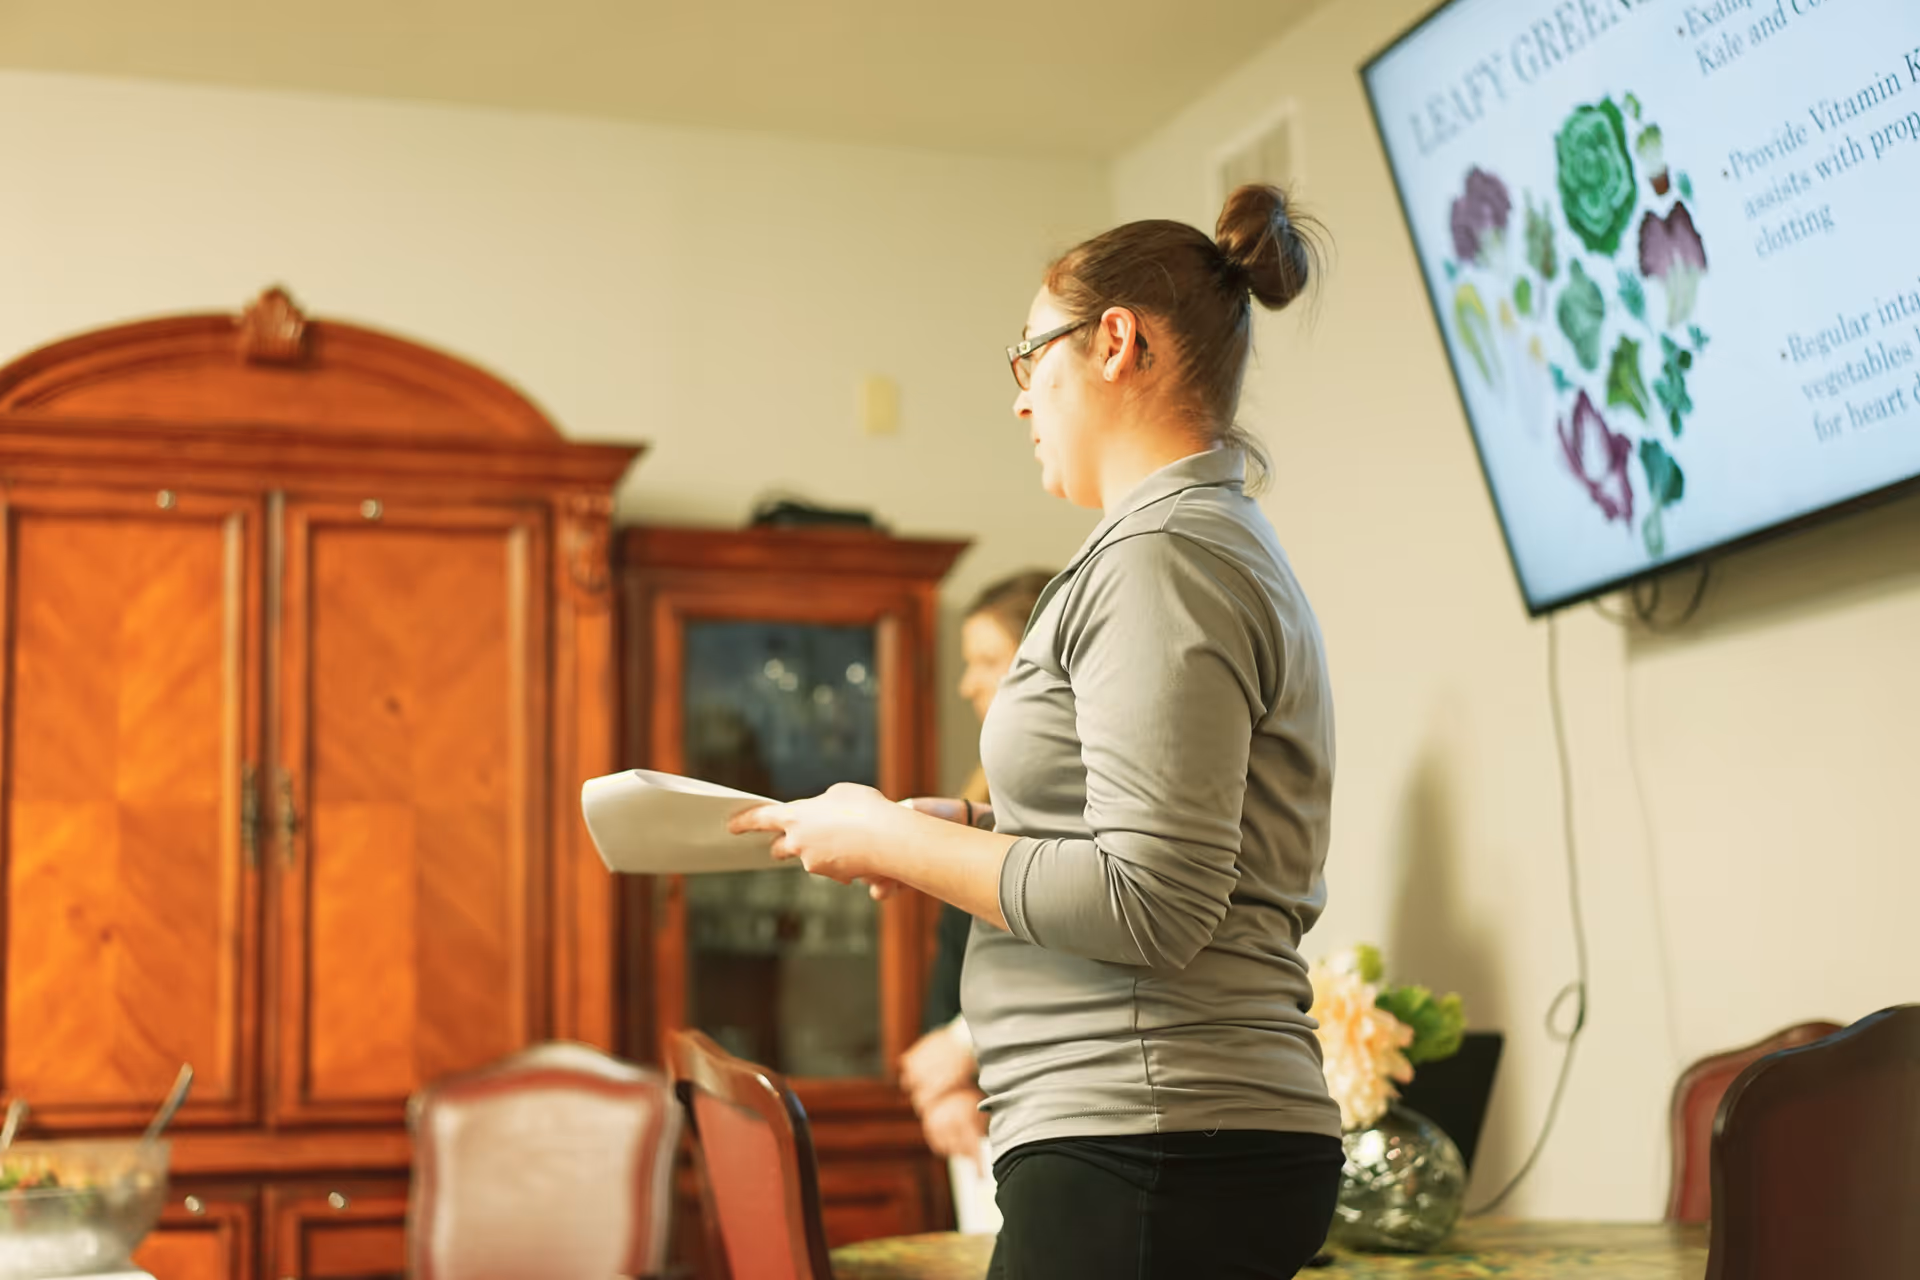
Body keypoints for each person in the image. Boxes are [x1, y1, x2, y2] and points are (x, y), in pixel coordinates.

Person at [732, 183, 1343, 1279]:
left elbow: (1151, 900)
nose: (1020, 400)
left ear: (1116, 342)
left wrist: (890, 839)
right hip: (1155, 1134)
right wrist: (964, 820)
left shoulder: (1165, 561)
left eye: (1030, 358)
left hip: (1152, 1139)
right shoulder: (1177, 548)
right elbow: (1141, 838)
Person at [899, 570, 1053, 1181]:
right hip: (979, 1112)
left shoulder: (1074, 790)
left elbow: (1069, 947)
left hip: (1040, 1109)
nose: (968, 684)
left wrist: (962, 1049)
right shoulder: (984, 790)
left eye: (988, 660)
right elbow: (954, 949)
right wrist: (946, 1086)